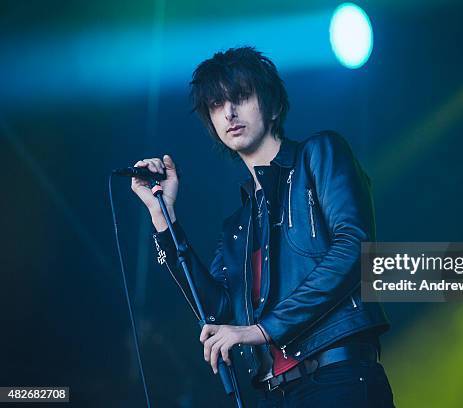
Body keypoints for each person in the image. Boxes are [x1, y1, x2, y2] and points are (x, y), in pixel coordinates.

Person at [131, 46, 394, 407]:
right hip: (278, 395)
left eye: (240, 96)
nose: (229, 112)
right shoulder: (238, 226)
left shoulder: (319, 154)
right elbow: (218, 312)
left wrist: (261, 330)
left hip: (339, 380)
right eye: (216, 105)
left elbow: (355, 248)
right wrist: (164, 216)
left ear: (271, 106)